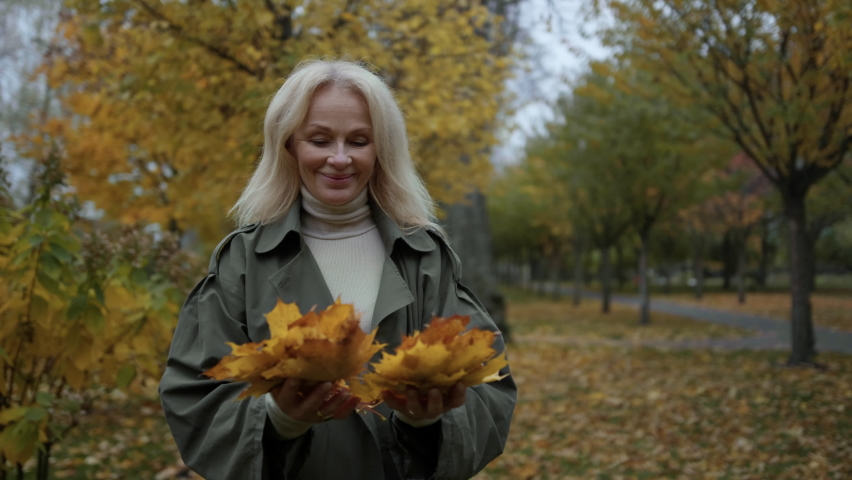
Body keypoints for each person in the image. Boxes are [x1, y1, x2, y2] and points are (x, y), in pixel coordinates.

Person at [159, 59, 516, 480]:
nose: (340, 158)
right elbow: (192, 396)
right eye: (320, 139)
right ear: (289, 144)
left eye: (359, 140)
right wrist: (281, 419)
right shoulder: (243, 260)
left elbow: (490, 386)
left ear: (381, 148)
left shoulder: (422, 255)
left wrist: (427, 421)